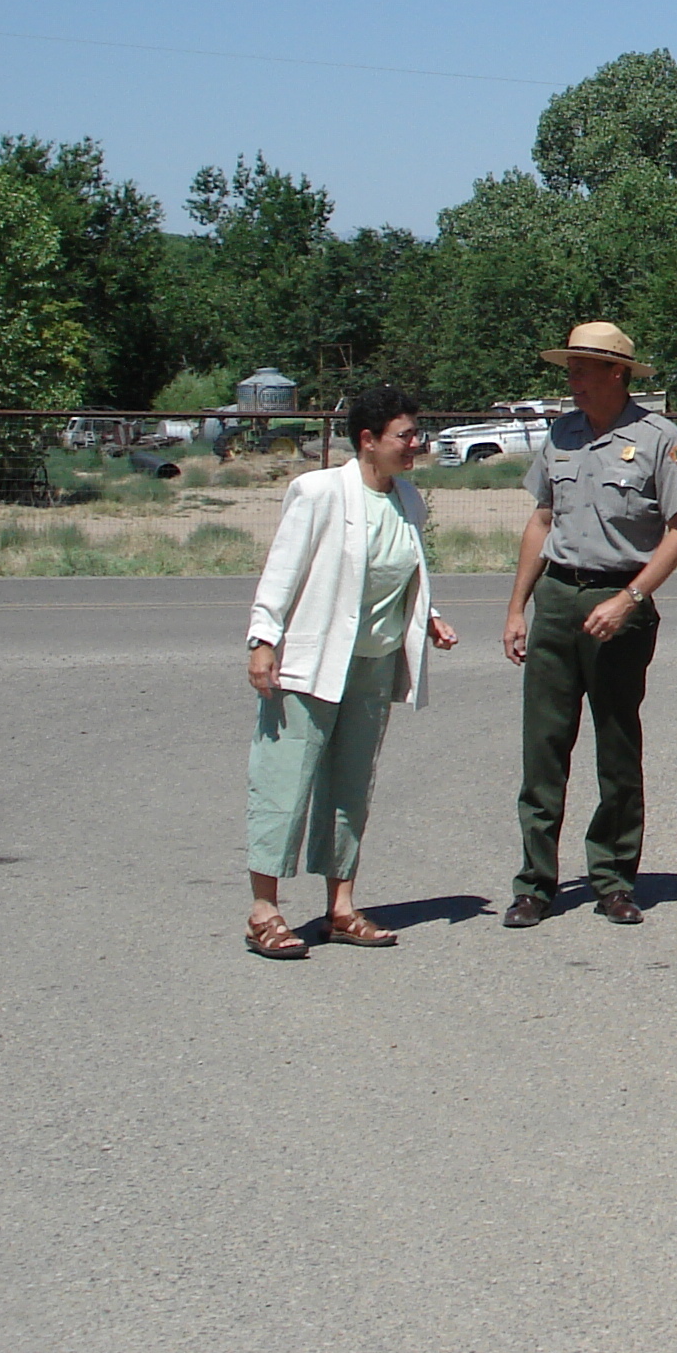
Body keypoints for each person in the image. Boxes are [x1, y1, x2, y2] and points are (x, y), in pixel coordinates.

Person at [241, 383, 458, 959]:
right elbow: (282, 569)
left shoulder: (408, 498)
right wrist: (264, 639)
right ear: (368, 440)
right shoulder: (318, 492)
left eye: (417, 434)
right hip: (311, 661)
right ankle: (265, 910)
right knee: (286, 780)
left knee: (350, 787)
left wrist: (429, 617)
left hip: (372, 663)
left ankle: (340, 907)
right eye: (405, 436)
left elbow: (399, 569)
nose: (417, 444)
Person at [500, 323, 677, 928]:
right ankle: (535, 883)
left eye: (583, 369)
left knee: (616, 747)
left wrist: (631, 598)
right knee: (543, 748)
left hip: (620, 603)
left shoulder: (659, 439)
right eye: (570, 368)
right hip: (559, 599)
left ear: (617, 372)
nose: (573, 381)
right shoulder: (560, 434)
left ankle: (614, 878)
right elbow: (542, 519)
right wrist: (518, 606)